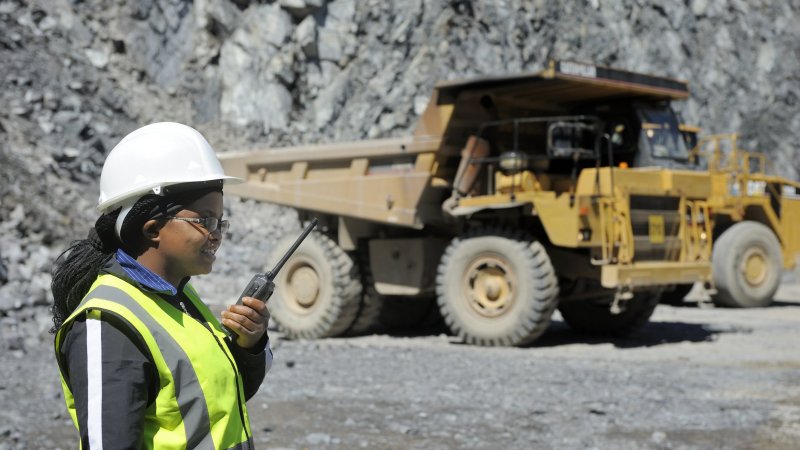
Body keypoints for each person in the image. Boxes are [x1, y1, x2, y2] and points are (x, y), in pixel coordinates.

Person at [51, 122, 272, 449]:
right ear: (152, 228)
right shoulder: (107, 324)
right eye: (205, 221)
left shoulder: (179, 296)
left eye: (220, 222)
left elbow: (221, 399)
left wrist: (248, 345)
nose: (217, 234)